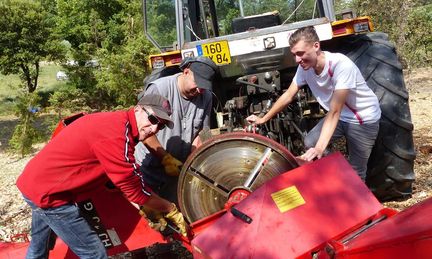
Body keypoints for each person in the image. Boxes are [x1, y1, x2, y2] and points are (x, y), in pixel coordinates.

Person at [16, 94, 188, 259]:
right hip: (51, 196)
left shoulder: (118, 123)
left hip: (37, 185)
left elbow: (123, 176)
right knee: (94, 254)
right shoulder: (116, 134)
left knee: (39, 247)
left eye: (161, 125)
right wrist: (169, 208)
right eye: (153, 119)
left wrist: (149, 204)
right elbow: (134, 190)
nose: (154, 128)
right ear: (138, 109)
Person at [246, 26, 381, 181]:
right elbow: (288, 95)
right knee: (310, 141)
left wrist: (320, 148)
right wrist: (263, 118)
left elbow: (335, 111)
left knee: (357, 173)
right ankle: (338, 176)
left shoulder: (340, 65)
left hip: (362, 118)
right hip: (341, 115)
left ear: (316, 46)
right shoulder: (305, 68)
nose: (297, 59)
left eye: (301, 53)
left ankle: (355, 193)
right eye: (294, 54)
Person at [134, 56, 217, 203]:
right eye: (197, 84)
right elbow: (143, 130)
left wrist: (193, 166)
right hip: (148, 168)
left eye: (204, 86)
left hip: (177, 171)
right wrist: (166, 158)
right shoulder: (160, 89)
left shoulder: (206, 96)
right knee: (152, 216)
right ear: (186, 72)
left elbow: (201, 133)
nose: (200, 90)